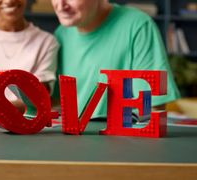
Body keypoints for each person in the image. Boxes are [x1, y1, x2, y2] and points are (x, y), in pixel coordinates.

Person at [51, 0, 180, 118]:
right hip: (75, 140)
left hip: (124, 141)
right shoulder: (61, 34)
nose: (61, 5)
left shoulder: (138, 26)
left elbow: (152, 109)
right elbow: (57, 103)